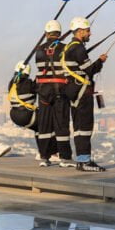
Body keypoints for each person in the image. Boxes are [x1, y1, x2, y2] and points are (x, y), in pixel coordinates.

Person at [61, 17, 107, 172]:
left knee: (79, 126)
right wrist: (100, 61)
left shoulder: (69, 47)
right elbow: (90, 70)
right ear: (80, 31)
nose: (90, 33)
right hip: (82, 92)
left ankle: (82, 159)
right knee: (85, 126)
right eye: (87, 31)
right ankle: (84, 160)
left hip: (73, 92)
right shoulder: (79, 48)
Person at [34, 20, 75, 167]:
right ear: (60, 34)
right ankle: (65, 157)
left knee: (44, 125)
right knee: (61, 124)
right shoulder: (64, 48)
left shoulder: (39, 50)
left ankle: (44, 156)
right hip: (60, 91)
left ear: (46, 34)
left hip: (43, 92)